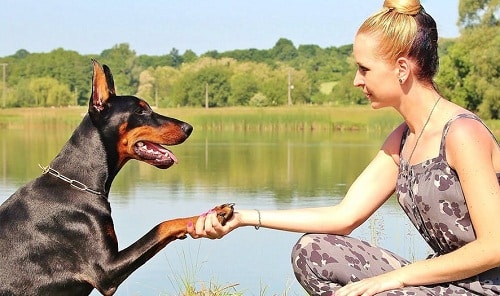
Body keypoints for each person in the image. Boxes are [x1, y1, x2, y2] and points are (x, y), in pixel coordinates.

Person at [187, 0, 500, 294]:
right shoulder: (403, 139)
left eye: (364, 69)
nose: (356, 80)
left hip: (487, 289)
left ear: (402, 69)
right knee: (311, 252)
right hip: (443, 284)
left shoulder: (462, 133)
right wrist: (243, 217)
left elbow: (495, 245)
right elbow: (343, 216)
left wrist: (396, 278)